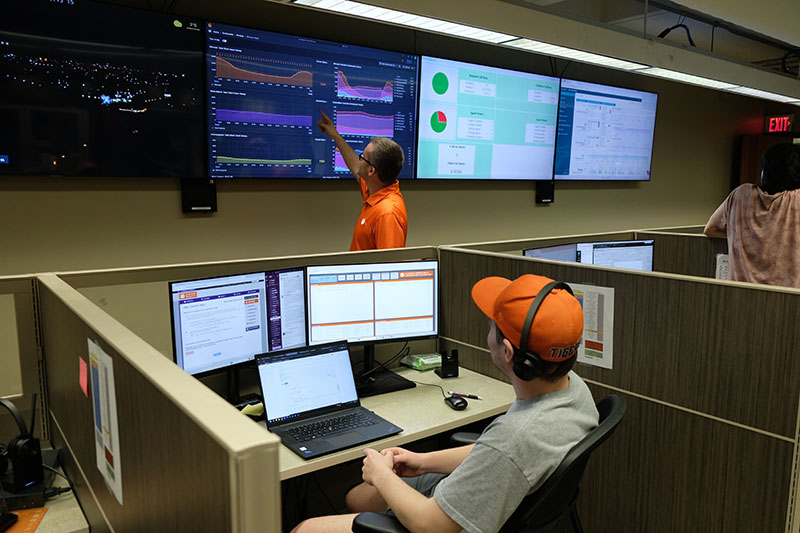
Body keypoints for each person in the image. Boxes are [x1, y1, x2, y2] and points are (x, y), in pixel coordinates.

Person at [292, 274, 599, 533]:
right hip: (494, 498)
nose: (488, 333)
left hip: (442, 521)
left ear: (507, 351)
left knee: (304, 529)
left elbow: (432, 525)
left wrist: (382, 475)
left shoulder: (516, 436)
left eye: (493, 326)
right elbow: (496, 452)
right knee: (359, 498)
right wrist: (422, 460)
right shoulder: (573, 390)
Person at [704, 142, 800, 287]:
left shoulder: (741, 195)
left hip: (741, 297)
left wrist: (748, 238)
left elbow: (711, 229)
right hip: (786, 301)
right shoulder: (796, 200)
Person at [317, 110, 408, 251]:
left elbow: (390, 267)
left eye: (362, 157)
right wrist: (335, 136)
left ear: (371, 170)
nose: (359, 159)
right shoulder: (375, 191)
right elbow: (355, 166)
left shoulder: (387, 213)